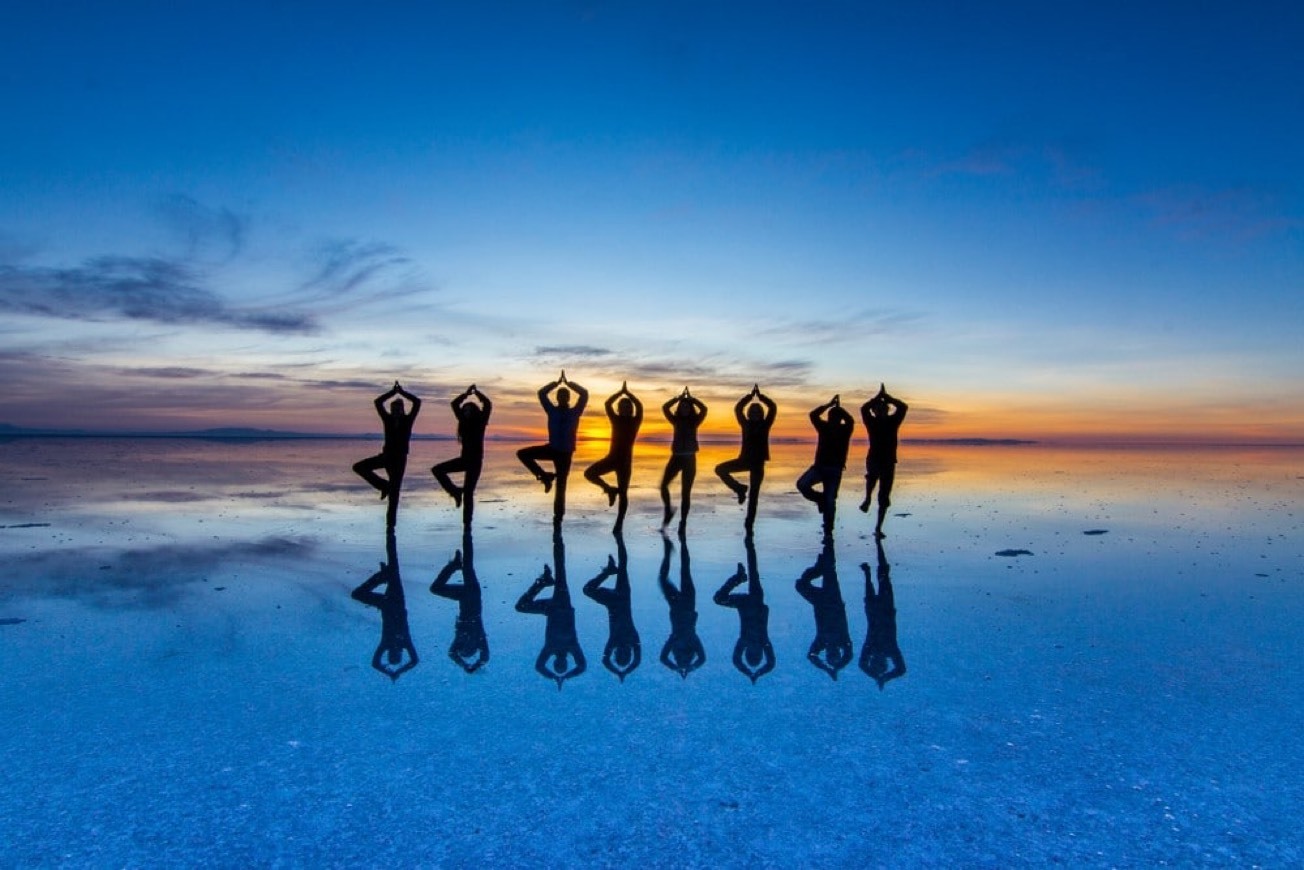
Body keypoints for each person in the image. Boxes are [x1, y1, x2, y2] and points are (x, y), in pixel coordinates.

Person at [517, 371, 588, 526]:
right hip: (552, 449)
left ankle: (558, 518)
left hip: (565, 454)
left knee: (561, 487)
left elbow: (584, 393)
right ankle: (544, 476)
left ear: (568, 398)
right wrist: (555, 384)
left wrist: (569, 384)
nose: (562, 398)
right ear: (557, 398)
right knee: (522, 454)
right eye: (560, 396)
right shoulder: (552, 410)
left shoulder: (575, 412)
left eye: (565, 396)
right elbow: (541, 393)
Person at [515, 533, 586, 688]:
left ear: (554, 661)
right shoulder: (572, 646)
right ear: (566, 661)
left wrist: (555, 676)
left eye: (557, 665)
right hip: (562, 605)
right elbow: (581, 666)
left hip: (549, 609)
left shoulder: (550, 648)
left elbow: (539, 667)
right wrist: (564, 676)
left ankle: (543, 582)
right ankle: (558, 539)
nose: (560, 662)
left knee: (521, 607)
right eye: (563, 665)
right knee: (561, 571)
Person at [352, 381, 422, 528]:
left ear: (402, 409)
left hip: (400, 459)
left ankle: (390, 526)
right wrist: (392, 392)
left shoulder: (407, 420)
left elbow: (417, 402)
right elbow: (378, 402)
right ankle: (383, 485)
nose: (395, 411)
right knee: (359, 467)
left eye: (398, 408)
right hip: (386, 456)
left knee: (394, 495)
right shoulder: (387, 419)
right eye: (393, 409)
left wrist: (401, 392)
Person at [351, 531, 418, 681]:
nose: (394, 652)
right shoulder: (402, 642)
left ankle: (382, 575)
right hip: (395, 603)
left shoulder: (390, 643)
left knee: (358, 594)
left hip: (386, 605)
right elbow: (414, 661)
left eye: (392, 654)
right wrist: (395, 671)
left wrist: (393, 672)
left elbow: (376, 663)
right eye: (396, 654)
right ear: (399, 652)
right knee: (394, 566)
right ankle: (384, 571)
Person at [714, 384, 776, 536]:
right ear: (749, 413)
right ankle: (739, 488)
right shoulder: (745, 424)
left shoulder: (765, 424)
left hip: (758, 464)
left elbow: (772, 408)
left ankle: (749, 525)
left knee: (754, 496)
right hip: (744, 460)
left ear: (761, 413)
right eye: (752, 411)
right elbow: (738, 409)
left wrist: (760, 397)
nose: (754, 413)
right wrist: (749, 397)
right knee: (720, 469)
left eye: (757, 411)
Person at [713, 535, 775, 684]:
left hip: (743, 604)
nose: (753, 648)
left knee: (719, 599)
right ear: (759, 651)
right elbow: (771, 663)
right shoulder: (763, 641)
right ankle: (750, 545)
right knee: (754, 572)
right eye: (755, 652)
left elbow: (736, 660)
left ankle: (739, 577)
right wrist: (757, 673)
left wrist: (749, 672)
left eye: (750, 651)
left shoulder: (744, 641)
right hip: (755, 601)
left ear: (747, 650)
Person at [583, 382, 643, 535]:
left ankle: (619, 523)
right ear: (619, 409)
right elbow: (608, 404)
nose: (625, 409)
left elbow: (640, 406)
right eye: (622, 407)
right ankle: (608, 489)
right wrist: (620, 393)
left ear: (631, 409)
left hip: (625, 463)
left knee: (623, 493)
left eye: (628, 407)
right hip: (611, 459)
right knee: (589, 473)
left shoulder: (636, 421)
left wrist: (628, 394)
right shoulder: (615, 419)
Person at [582, 532, 641, 682]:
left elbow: (605, 660)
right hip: (622, 598)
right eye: (624, 655)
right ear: (628, 653)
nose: (621, 652)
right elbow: (636, 661)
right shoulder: (633, 640)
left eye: (618, 655)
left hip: (613, 602)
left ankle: (608, 571)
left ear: (616, 652)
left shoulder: (615, 641)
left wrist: (620, 671)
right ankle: (620, 540)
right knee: (623, 566)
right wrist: (624, 671)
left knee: (588, 589)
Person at [431, 385, 492, 527]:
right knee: (437, 470)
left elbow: (488, 404)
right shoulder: (463, 422)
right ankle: (455, 492)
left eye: (469, 410)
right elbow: (454, 404)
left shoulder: (481, 422)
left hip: (475, 462)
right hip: (464, 460)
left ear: (474, 411)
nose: (466, 412)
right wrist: (465, 394)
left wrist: (477, 394)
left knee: (469, 493)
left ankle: (467, 524)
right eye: (464, 410)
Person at [430, 529, 489, 674]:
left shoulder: (475, 639)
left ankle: (456, 563)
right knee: (467, 566)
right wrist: (468, 666)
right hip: (471, 597)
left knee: (438, 587)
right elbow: (483, 657)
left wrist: (469, 666)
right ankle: (466, 536)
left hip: (467, 597)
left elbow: (482, 657)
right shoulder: (477, 637)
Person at [796, 394, 855, 538]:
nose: (833, 419)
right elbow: (813, 415)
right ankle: (820, 500)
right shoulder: (823, 427)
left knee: (830, 499)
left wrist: (838, 408)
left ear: (840, 419)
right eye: (831, 416)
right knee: (802, 485)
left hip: (835, 470)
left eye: (836, 417)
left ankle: (828, 529)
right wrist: (829, 405)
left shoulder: (845, 430)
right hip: (819, 467)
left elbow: (850, 420)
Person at [796, 540, 853, 680]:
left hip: (820, 602)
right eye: (836, 654)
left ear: (826, 653)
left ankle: (819, 566)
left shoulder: (821, 642)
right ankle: (829, 545)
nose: (832, 652)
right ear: (839, 653)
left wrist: (827, 669)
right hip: (833, 600)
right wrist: (838, 666)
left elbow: (811, 656)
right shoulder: (843, 641)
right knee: (830, 571)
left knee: (800, 584)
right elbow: (849, 655)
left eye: (830, 655)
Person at [859, 383, 909, 538]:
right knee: (872, 478)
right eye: (878, 409)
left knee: (884, 496)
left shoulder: (892, 421)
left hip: (888, 461)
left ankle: (878, 527)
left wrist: (886, 397)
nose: (881, 411)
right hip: (874, 458)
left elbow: (903, 407)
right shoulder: (871, 422)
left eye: (883, 408)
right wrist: (878, 398)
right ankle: (867, 498)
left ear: (887, 410)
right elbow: (864, 409)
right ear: (875, 411)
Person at [659, 386, 707, 534]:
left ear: (690, 408)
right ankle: (669, 510)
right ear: (679, 408)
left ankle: (683, 522)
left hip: (690, 460)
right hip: (676, 458)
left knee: (686, 493)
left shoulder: (695, 421)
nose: (685, 409)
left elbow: (704, 409)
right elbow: (665, 407)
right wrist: (677, 399)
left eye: (687, 407)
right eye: (682, 406)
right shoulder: (675, 420)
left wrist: (692, 399)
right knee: (663, 486)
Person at [658, 532, 705, 679]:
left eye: (680, 661)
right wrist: (689, 668)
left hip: (678, 604)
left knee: (669, 576)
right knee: (685, 570)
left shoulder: (676, 640)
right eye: (684, 661)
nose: (681, 660)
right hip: (687, 603)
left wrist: (677, 668)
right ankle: (681, 543)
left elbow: (663, 658)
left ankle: (670, 550)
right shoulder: (691, 640)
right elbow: (702, 659)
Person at [860, 537, 906, 689]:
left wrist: (878, 676)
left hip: (874, 611)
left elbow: (862, 665)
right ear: (885, 662)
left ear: (873, 660)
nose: (877, 660)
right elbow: (901, 669)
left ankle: (868, 571)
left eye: (875, 662)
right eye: (881, 663)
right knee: (883, 574)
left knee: (876, 580)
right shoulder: (890, 649)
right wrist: (884, 677)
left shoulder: (871, 648)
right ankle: (879, 545)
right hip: (885, 609)